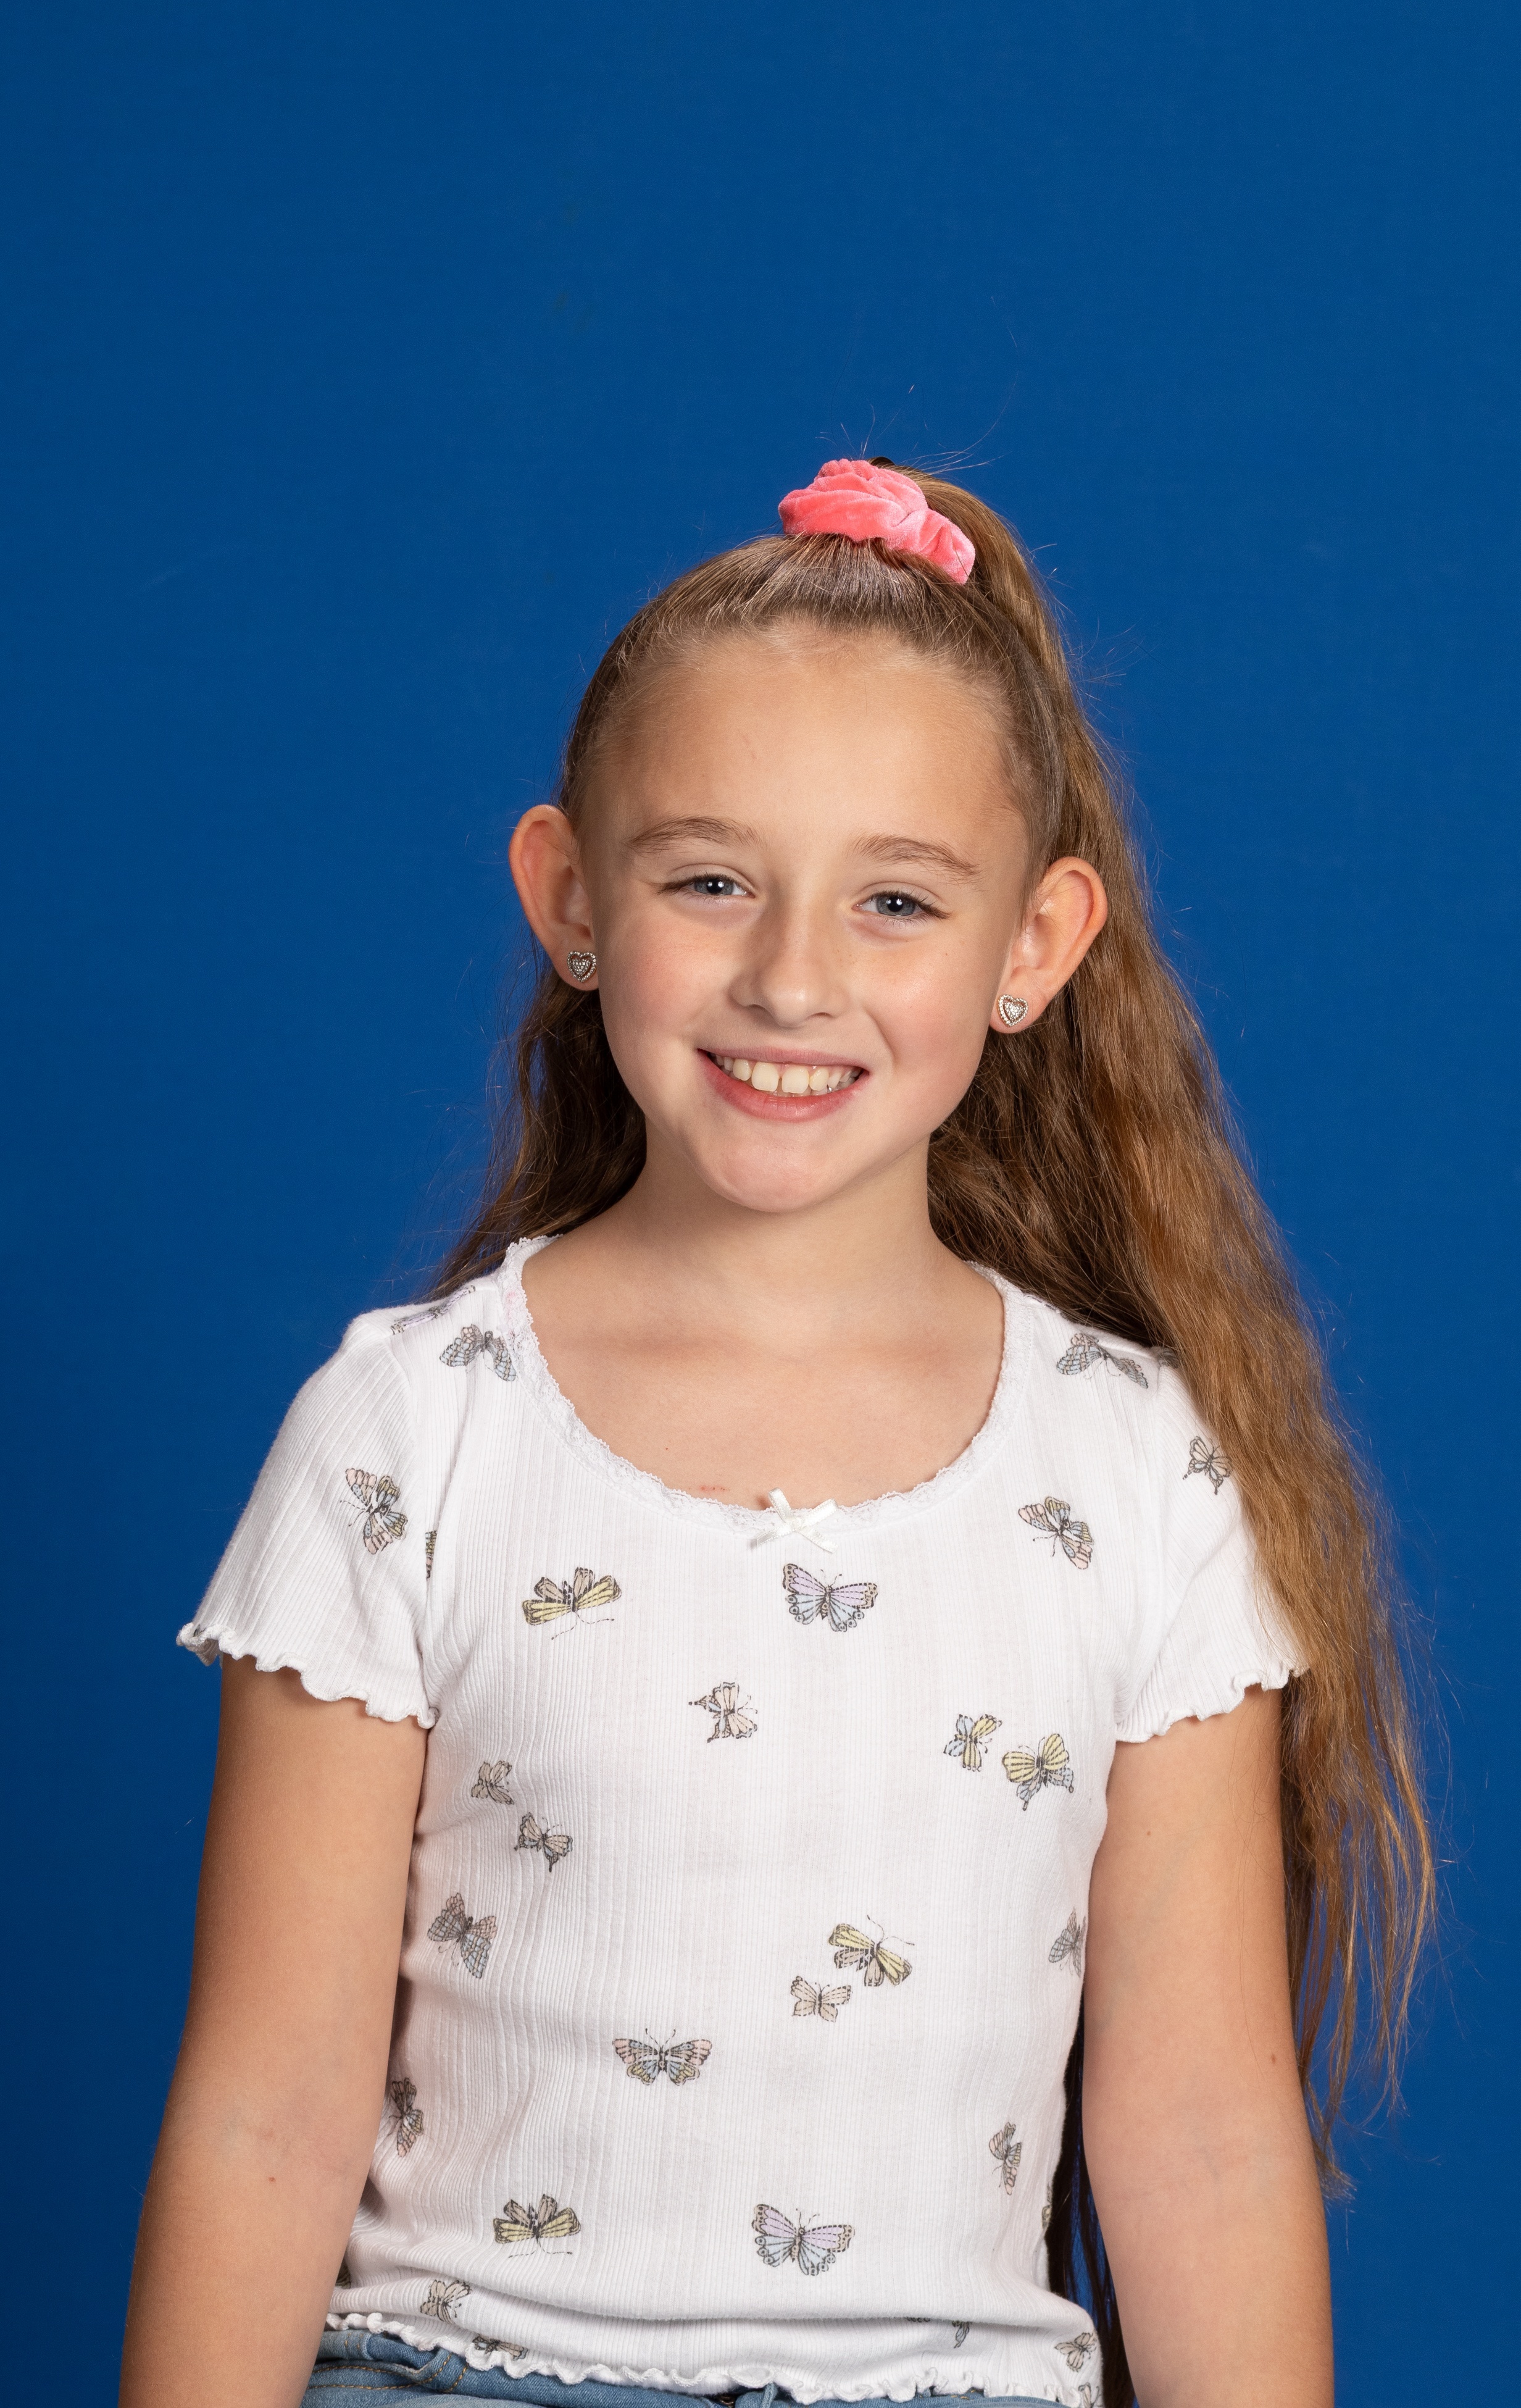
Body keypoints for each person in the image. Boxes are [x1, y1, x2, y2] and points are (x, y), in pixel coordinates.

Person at [121, 459, 1432, 2408]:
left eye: (895, 899)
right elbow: (263, 2115)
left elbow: (1205, 2142)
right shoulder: (411, 1434)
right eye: (710, 880)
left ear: (1034, 946)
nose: (794, 976)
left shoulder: (1135, 1476)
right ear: (572, 898)